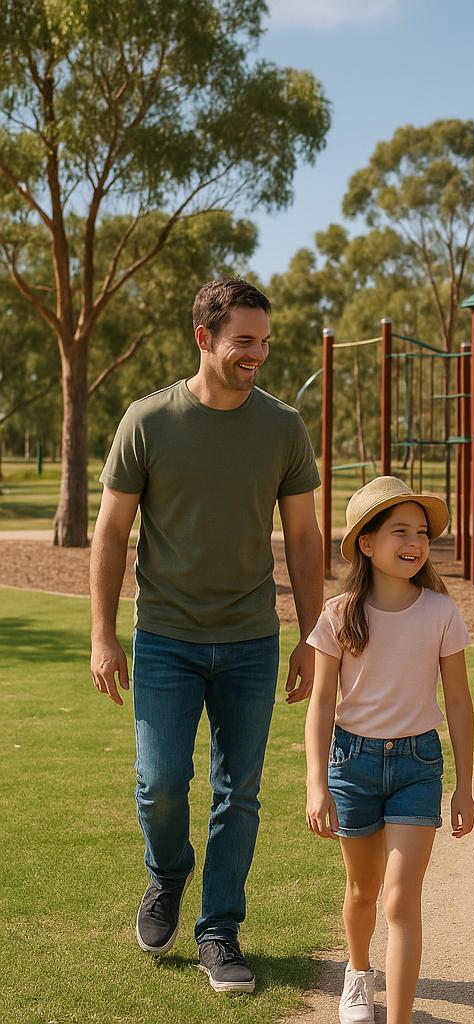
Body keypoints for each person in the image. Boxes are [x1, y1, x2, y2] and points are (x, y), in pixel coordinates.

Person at [89, 278, 323, 994]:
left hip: (251, 639)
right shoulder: (148, 420)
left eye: (265, 341)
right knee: (160, 783)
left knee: (239, 793)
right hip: (164, 636)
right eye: (243, 341)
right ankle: (167, 873)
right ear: (204, 339)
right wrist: (103, 632)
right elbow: (111, 532)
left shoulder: (283, 427)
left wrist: (314, 636)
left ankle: (219, 931)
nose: (257, 354)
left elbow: (306, 536)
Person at [304, 476, 474, 1024]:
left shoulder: (441, 612)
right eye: (399, 530)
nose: (414, 542)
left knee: (401, 899)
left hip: (417, 766)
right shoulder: (338, 614)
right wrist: (317, 782)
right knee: (361, 891)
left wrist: (465, 786)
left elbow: (460, 703)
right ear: (367, 543)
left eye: (421, 532)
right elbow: (322, 703)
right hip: (351, 765)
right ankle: (358, 974)